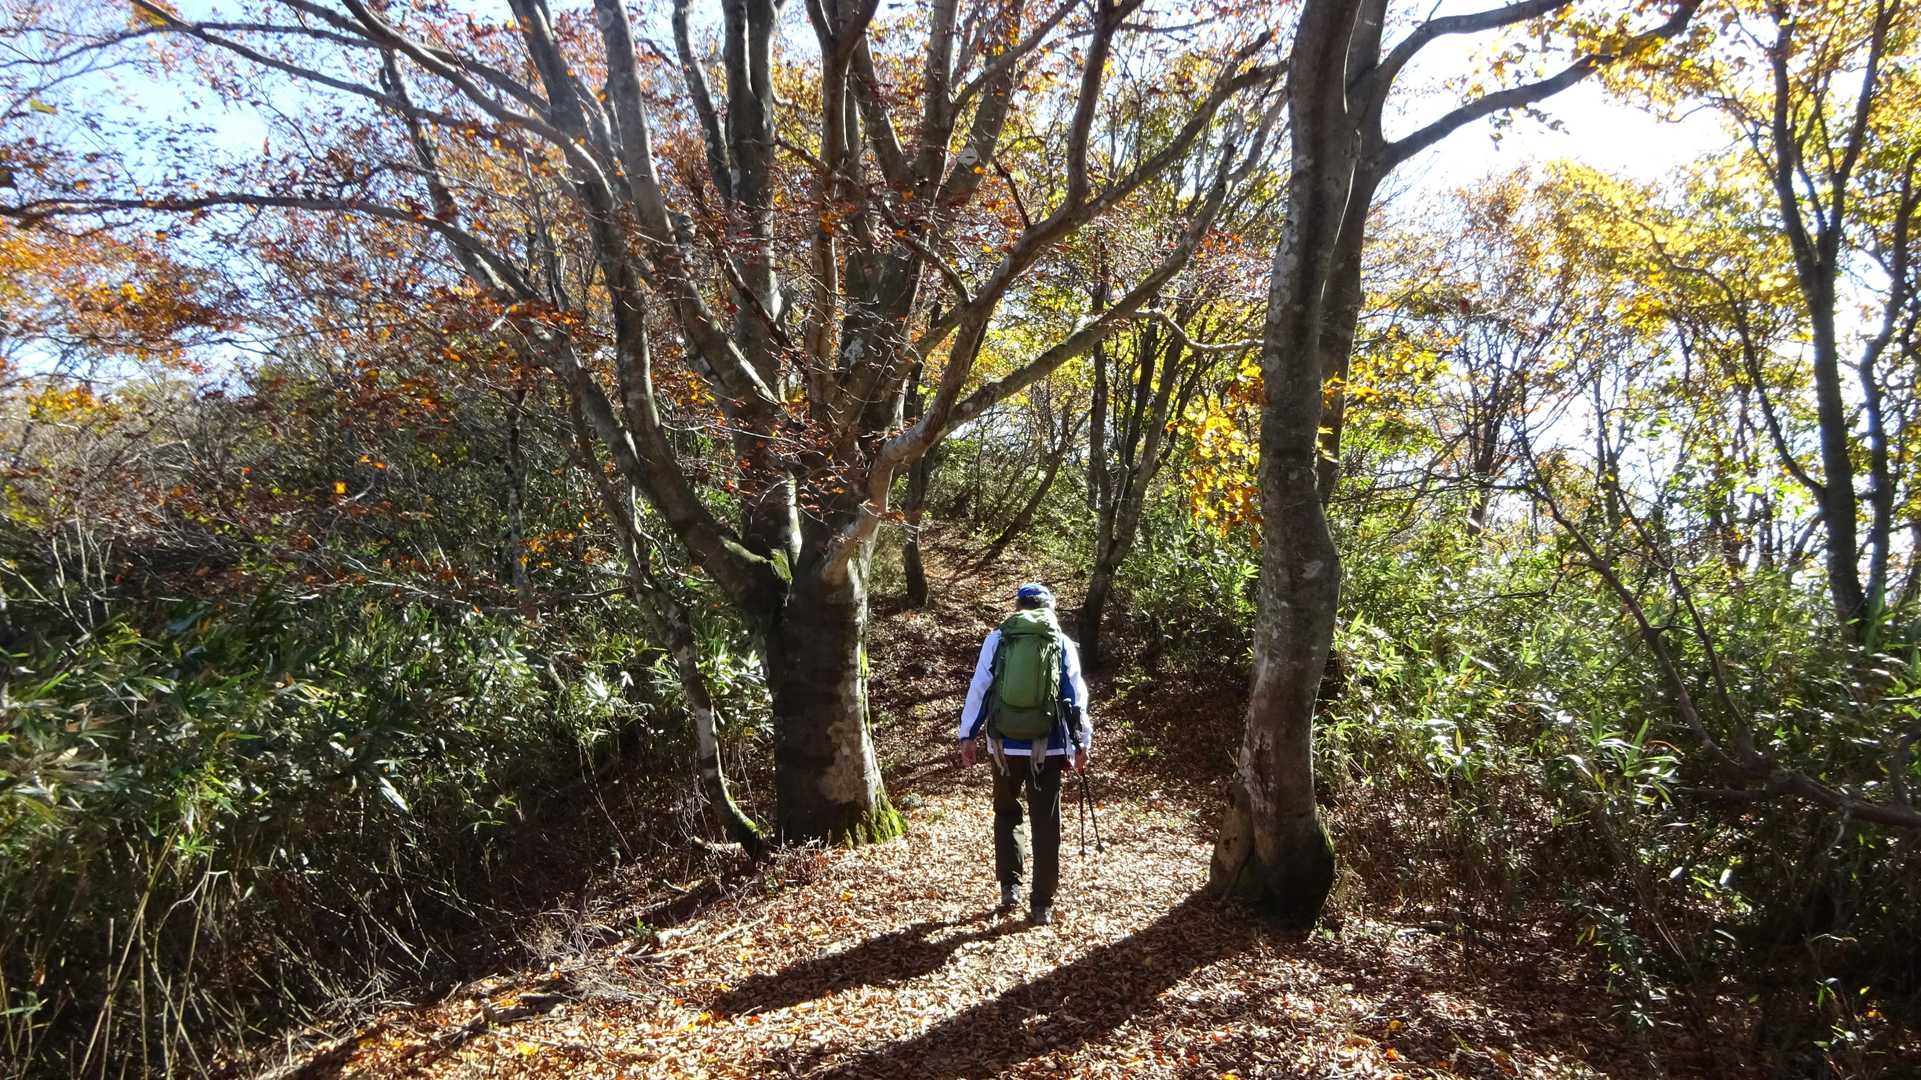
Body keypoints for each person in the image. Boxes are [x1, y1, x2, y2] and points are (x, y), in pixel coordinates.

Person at [956, 582, 1092, 926]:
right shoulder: (1060, 641)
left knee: (1007, 812)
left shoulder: (998, 638)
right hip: (1050, 745)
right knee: (1046, 823)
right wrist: (1082, 742)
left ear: (1018, 607)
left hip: (1003, 745)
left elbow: (980, 688)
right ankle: (1042, 904)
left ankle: (1010, 887)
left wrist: (968, 735)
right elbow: (1075, 696)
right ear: (1049, 608)